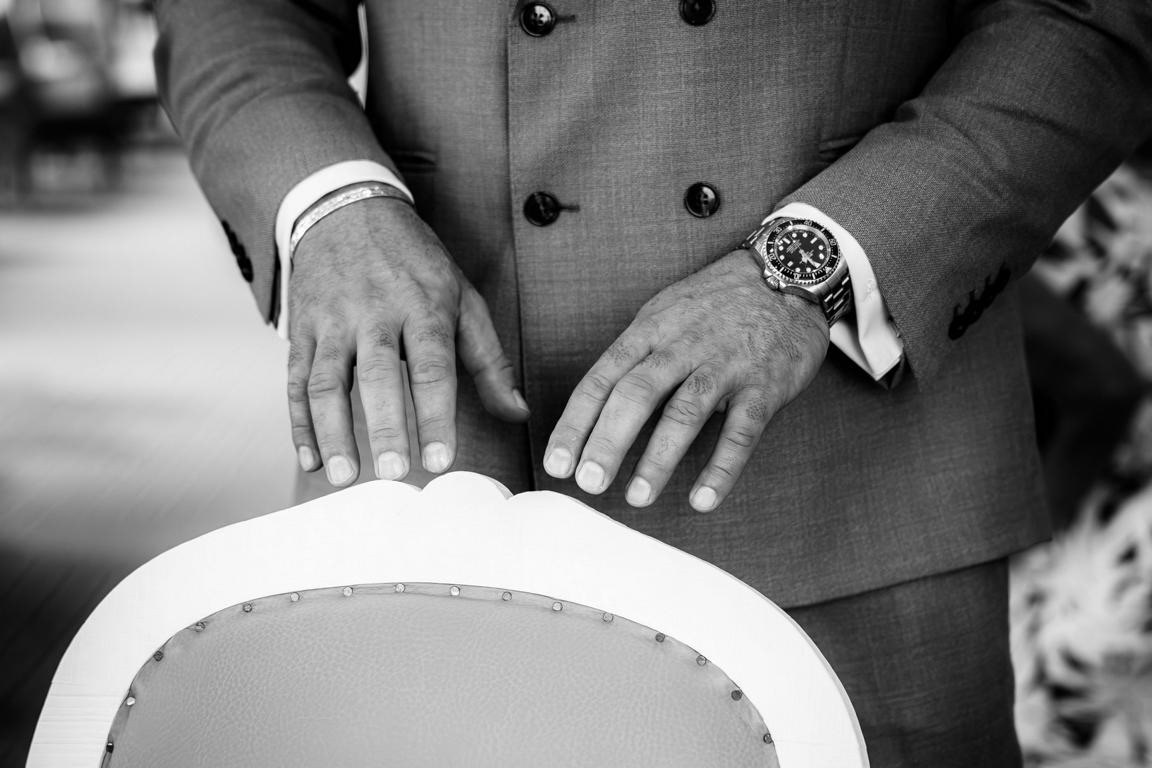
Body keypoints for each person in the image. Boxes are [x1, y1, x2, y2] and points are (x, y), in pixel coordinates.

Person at [153, 2, 1152, 765]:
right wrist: (330, 203)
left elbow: (1086, 18)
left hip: (844, 477)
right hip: (440, 448)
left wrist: (812, 271)